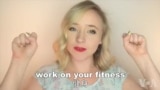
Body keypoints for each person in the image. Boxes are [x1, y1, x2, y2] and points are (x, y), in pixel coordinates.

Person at [0, 0, 160, 90]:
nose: (80, 39)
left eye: (91, 31)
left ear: (100, 39)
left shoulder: (115, 77)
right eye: (73, 28)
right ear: (65, 33)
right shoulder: (46, 77)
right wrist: (19, 60)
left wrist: (142, 57)